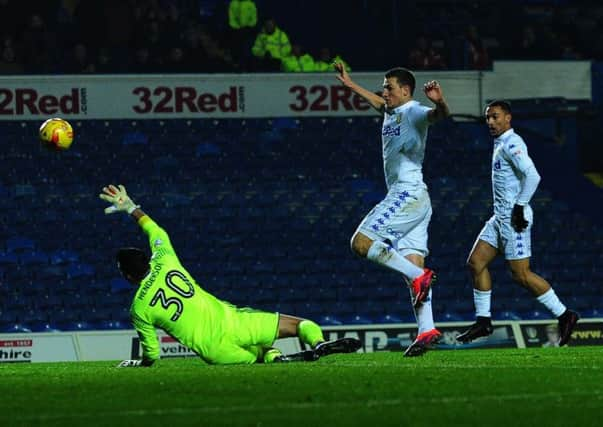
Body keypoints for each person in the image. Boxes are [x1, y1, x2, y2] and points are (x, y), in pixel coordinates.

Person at [99, 184, 361, 367]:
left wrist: (140, 363)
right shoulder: (165, 260)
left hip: (216, 352)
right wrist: (131, 207)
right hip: (234, 322)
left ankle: (277, 360)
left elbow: (152, 355)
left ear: (128, 277)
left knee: (260, 356)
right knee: (300, 324)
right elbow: (155, 231)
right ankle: (318, 342)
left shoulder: (139, 308)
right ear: (147, 258)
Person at [334, 63, 450, 357]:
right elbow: (378, 103)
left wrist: (440, 102)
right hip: (419, 200)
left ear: (405, 90)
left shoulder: (412, 111)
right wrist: (350, 84)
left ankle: (419, 277)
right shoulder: (391, 110)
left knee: (360, 243)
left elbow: (436, 116)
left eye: (388, 87)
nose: (383, 92)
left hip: (407, 194)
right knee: (412, 267)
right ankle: (427, 330)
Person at [456, 101, 579, 345]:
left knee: (521, 275)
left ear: (508, 118)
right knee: (475, 263)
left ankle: (566, 315)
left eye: (495, 117)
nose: (490, 122)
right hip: (499, 218)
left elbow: (533, 175)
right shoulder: (500, 143)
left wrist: (520, 207)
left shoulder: (512, 143)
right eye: (488, 117)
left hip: (514, 220)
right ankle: (483, 321)